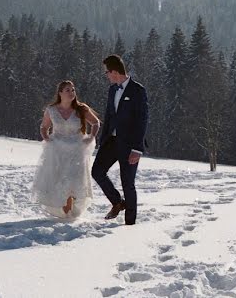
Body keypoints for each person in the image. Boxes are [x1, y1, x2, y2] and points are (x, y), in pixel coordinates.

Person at [92, 54, 149, 225]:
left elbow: (142, 120)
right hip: (112, 142)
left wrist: (137, 149)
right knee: (97, 172)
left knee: (128, 183)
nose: (106, 76)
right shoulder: (112, 90)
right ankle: (117, 202)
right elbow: (109, 117)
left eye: (107, 72)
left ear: (115, 71)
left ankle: (130, 224)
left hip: (130, 146)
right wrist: (102, 142)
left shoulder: (138, 91)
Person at [31, 80, 101, 219]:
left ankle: (70, 205)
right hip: (58, 149)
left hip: (77, 148)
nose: (71, 93)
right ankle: (61, 204)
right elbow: (44, 127)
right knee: (60, 178)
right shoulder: (51, 109)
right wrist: (47, 138)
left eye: (73, 90)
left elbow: (95, 123)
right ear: (60, 93)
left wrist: (91, 137)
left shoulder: (82, 109)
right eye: (68, 90)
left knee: (74, 177)